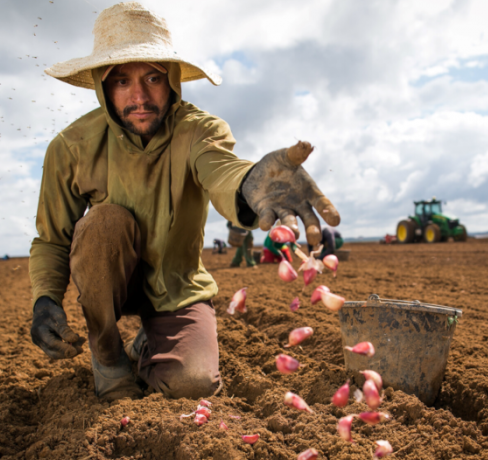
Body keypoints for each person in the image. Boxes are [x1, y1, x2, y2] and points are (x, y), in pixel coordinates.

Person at [28, 3, 339, 401]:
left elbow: (223, 170)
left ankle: (150, 342)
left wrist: (250, 182)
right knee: (103, 223)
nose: (139, 96)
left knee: (192, 384)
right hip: (111, 280)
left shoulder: (197, 131)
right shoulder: (72, 147)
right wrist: (44, 299)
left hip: (176, 285)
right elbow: (52, 238)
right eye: (121, 81)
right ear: (103, 87)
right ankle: (108, 357)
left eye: (153, 77)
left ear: (173, 80)